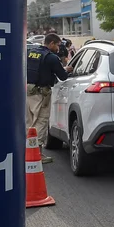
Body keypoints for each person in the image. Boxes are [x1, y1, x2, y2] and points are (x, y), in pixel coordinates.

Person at [27, 34, 72, 163]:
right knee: (41, 122)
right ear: (51, 43)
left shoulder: (30, 53)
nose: (58, 48)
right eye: (57, 45)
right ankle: (37, 154)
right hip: (42, 94)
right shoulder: (51, 57)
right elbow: (62, 76)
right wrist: (67, 70)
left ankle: (27, 151)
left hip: (27, 93)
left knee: (29, 123)